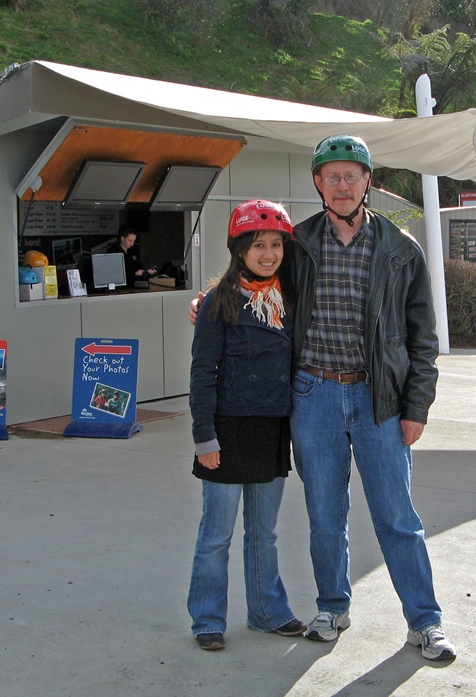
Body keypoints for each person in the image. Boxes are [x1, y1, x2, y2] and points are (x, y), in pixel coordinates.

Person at [189, 135, 455, 661]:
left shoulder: (402, 250)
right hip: (312, 395)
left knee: (397, 516)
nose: (340, 184)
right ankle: (332, 605)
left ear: (367, 182)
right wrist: (210, 297)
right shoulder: (297, 243)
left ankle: (424, 621)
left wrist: (417, 406)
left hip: (379, 399)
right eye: (330, 175)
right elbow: (252, 274)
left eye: (350, 175)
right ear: (317, 182)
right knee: (324, 513)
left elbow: (423, 337)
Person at [187, 199, 305, 651]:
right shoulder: (219, 301)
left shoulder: (288, 299)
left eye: (276, 244)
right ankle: (207, 620)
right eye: (258, 245)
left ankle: (267, 612)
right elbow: (203, 373)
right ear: (239, 249)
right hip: (227, 430)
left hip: (271, 429)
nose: (269, 253)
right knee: (216, 535)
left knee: (264, 533)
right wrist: (203, 436)